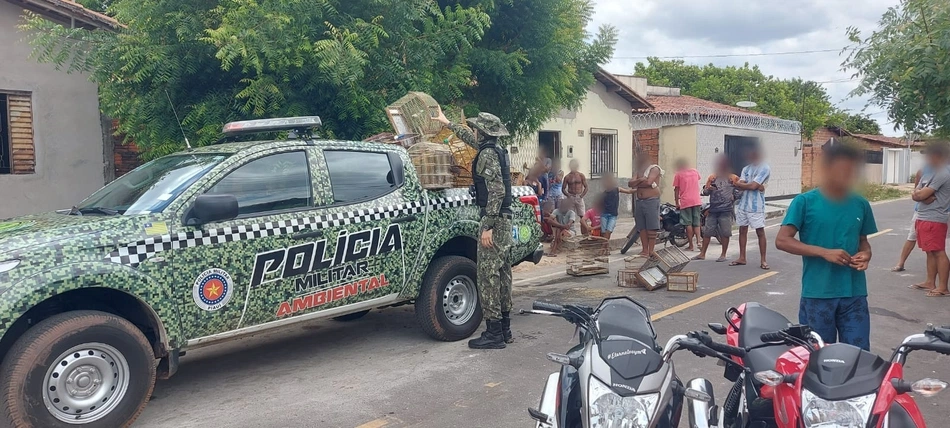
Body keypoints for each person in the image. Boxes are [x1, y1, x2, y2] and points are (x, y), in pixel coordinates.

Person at [775, 141, 877, 350]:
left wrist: (865, 255)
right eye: (841, 170)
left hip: (854, 294)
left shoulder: (860, 204)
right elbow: (782, 240)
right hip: (818, 294)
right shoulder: (805, 202)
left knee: (857, 356)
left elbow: (863, 243)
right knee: (817, 357)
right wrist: (823, 252)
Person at [436, 110, 514, 349]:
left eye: (476, 128)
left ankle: (493, 334)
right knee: (502, 274)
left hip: (495, 220)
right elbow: (472, 141)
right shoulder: (496, 149)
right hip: (505, 219)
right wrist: (447, 122)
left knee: (487, 276)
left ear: (483, 131)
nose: (474, 131)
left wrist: (488, 225)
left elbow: (497, 190)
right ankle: (505, 329)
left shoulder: (487, 155)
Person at [910, 141, 950, 297]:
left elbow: (920, 194)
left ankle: (943, 287)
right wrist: (920, 195)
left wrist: (920, 195)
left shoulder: (943, 173)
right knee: (929, 251)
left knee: (938, 251)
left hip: (935, 218)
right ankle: (930, 281)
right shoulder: (929, 173)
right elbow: (916, 193)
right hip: (923, 216)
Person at [732, 145, 771, 270]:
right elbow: (741, 184)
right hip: (743, 204)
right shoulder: (746, 168)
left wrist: (742, 184)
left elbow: (752, 186)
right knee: (742, 230)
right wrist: (745, 184)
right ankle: (742, 257)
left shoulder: (764, 168)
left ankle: (763, 260)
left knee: (760, 231)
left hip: (756, 206)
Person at [696, 155, 739, 262]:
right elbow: (705, 192)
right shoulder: (712, 177)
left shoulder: (733, 178)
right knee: (707, 232)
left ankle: (723, 254)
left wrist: (735, 196)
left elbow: (740, 191)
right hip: (713, 209)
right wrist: (708, 189)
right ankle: (702, 254)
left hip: (726, 210)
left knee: (725, 232)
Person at [629, 156, 663, 257]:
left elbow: (649, 182)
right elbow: (630, 183)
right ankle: (645, 250)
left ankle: (651, 250)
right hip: (640, 201)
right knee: (642, 227)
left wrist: (638, 183)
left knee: (651, 226)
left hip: (651, 201)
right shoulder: (639, 171)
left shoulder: (654, 169)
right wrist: (641, 180)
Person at [600, 172, 636, 253]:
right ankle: (606, 249)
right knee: (604, 233)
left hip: (613, 215)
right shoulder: (603, 193)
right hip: (604, 215)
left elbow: (629, 191)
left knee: (608, 231)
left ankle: (603, 248)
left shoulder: (617, 189)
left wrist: (638, 190)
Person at [673, 158, 703, 251]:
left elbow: (676, 190)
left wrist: (677, 203)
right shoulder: (695, 171)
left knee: (688, 223)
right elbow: (697, 180)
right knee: (696, 222)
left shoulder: (678, 174)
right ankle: (699, 241)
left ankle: (691, 245)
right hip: (696, 200)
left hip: (686, 201)